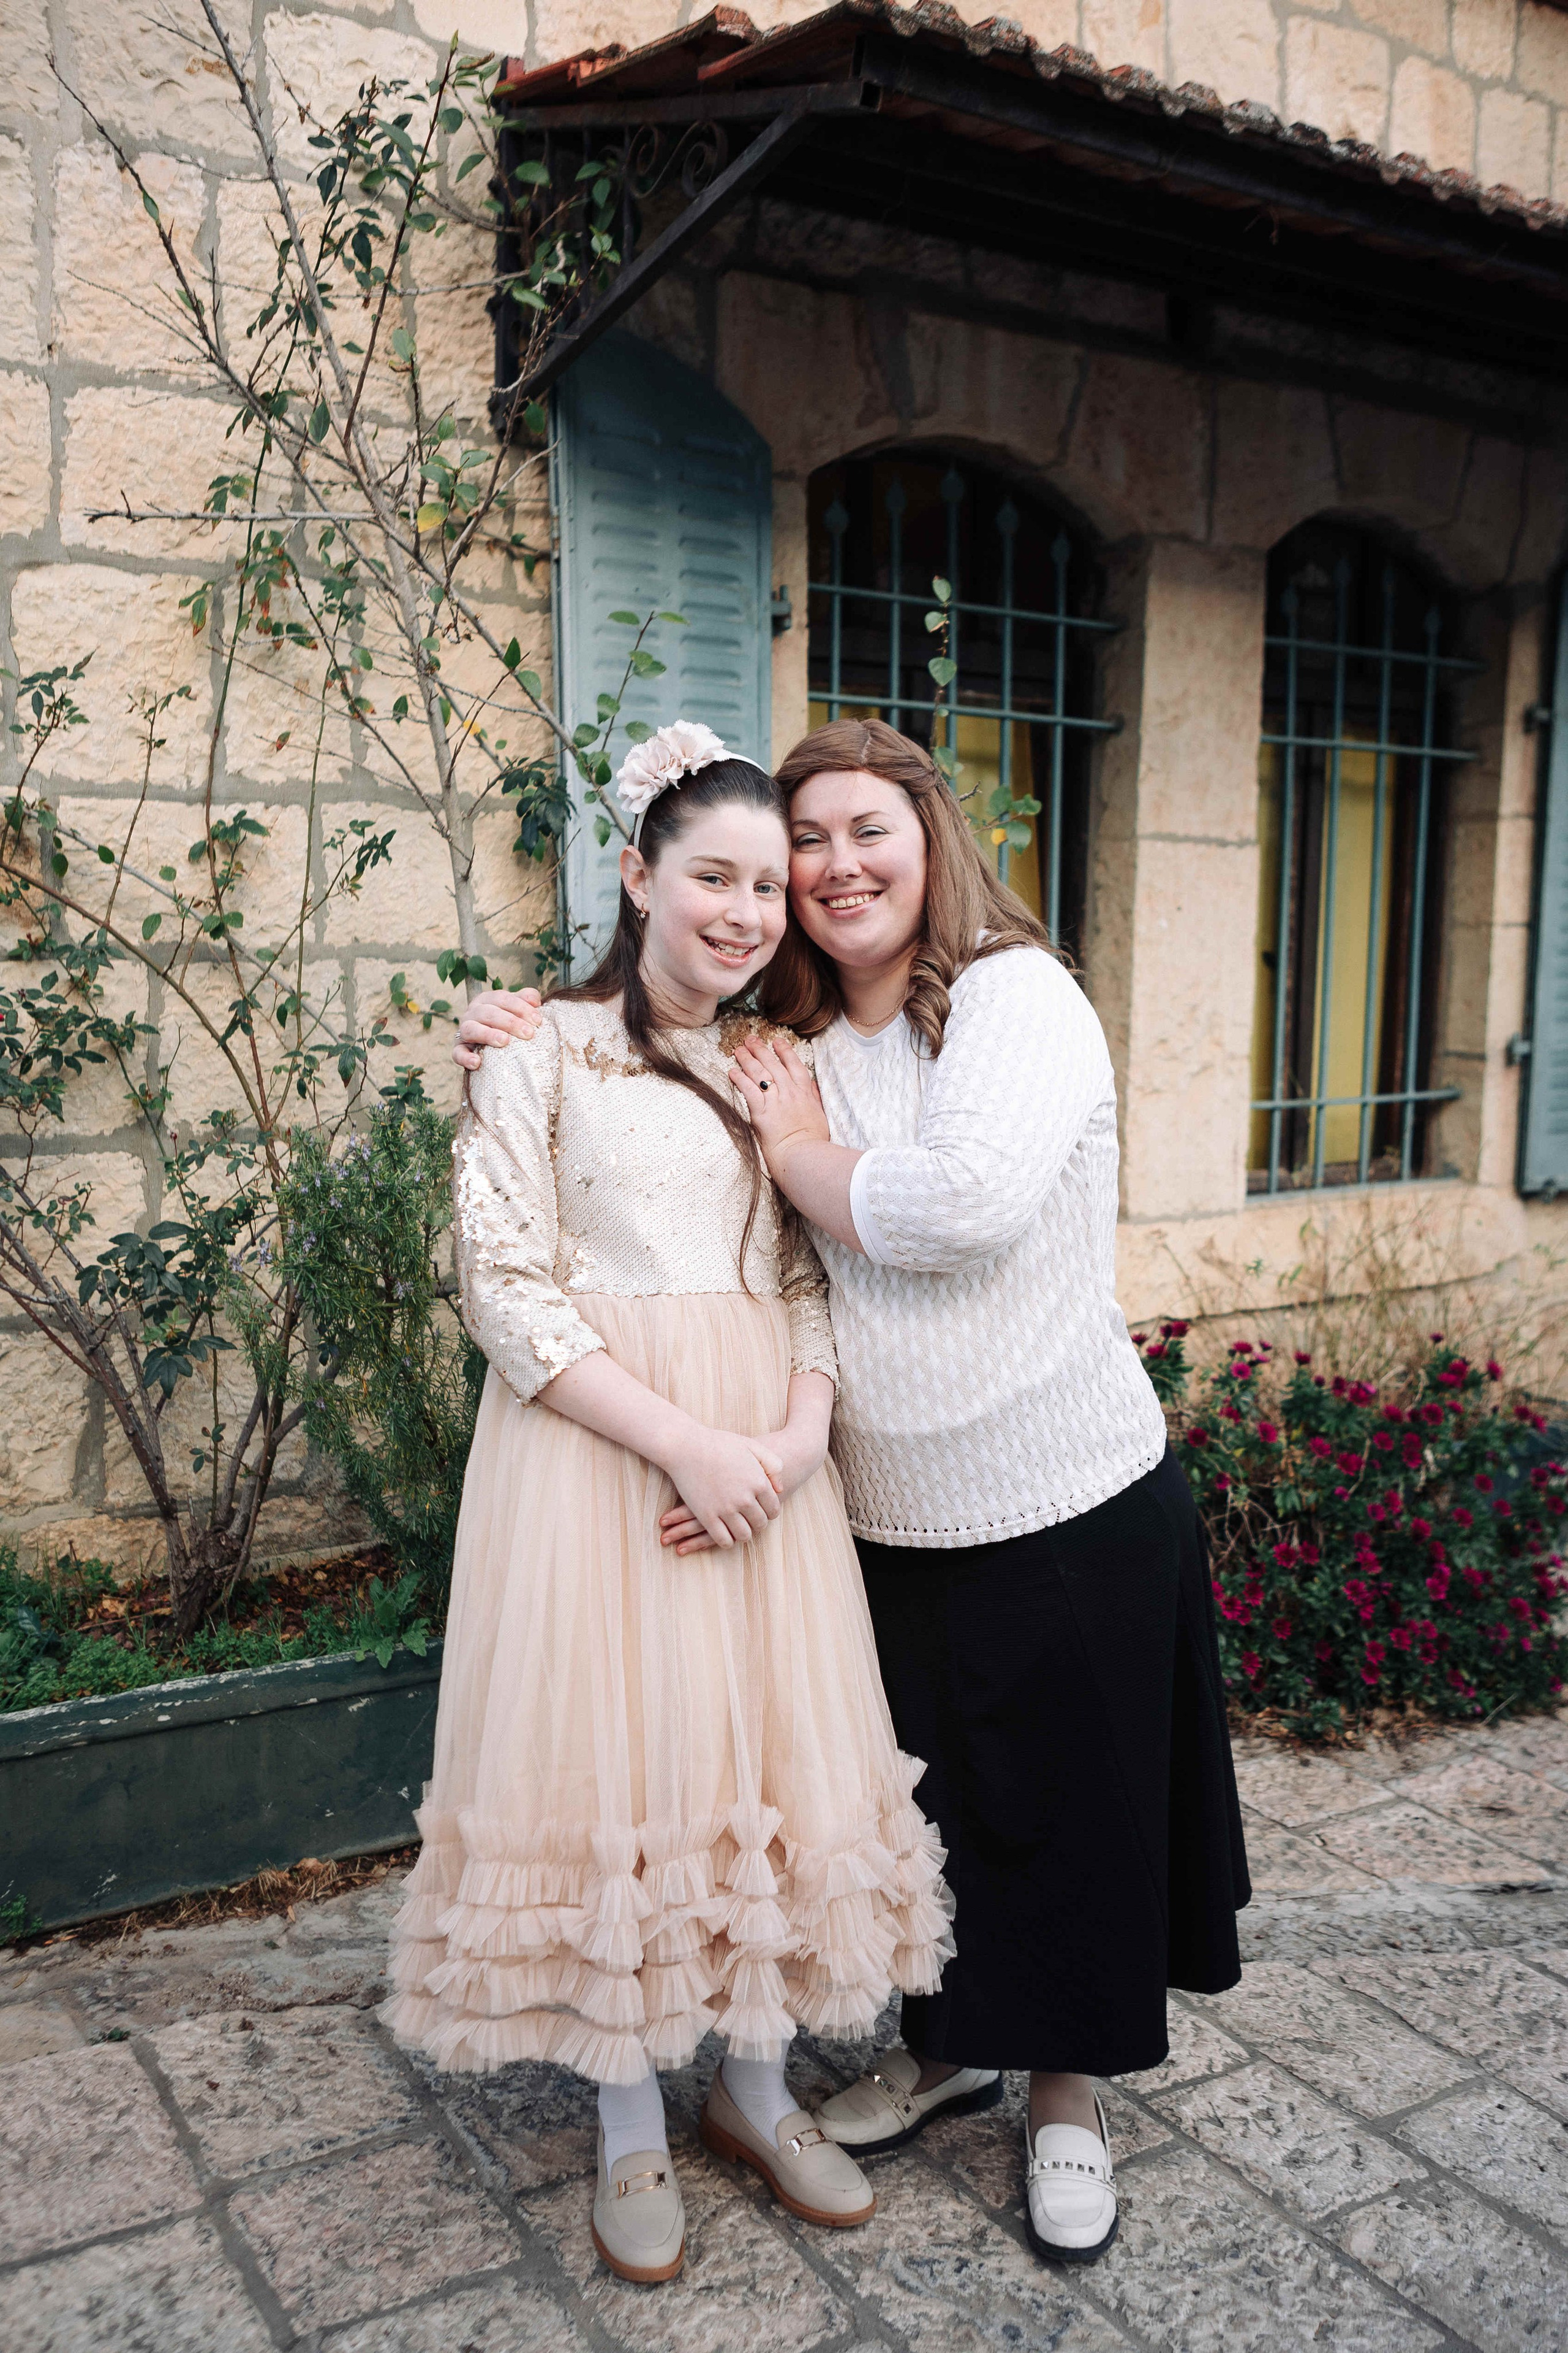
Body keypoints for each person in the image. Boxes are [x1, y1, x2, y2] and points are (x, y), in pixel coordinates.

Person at [454, 715, 1251, 2268]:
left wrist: (798, 1378)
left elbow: (914, 1223)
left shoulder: (1001, 1003)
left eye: (848, 836)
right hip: (825, 1501)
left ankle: (1062, 2100)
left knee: (1058, 1805)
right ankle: (916, 2053)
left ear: (927, 838)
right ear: (643, 874)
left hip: (1032, 1483)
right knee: (906, 1798)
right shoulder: (781, 1043)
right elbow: (547, 1244)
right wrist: (511, 1029)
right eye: (781, 853)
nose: (814, 876)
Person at [387, 722, 951, 2286]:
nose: (750, 908)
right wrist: (682, 1446)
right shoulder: (536, 1053)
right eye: (715, 873)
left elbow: (800, 1273)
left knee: (752, 1758)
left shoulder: (769, 1063)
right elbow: (499, 1284)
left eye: (769, 882)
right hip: (598, 1460)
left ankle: (757, 2097)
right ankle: (631, 2117)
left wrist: (781, 1439)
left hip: (763, 1467)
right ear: (636, 876)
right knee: (616, 1769)